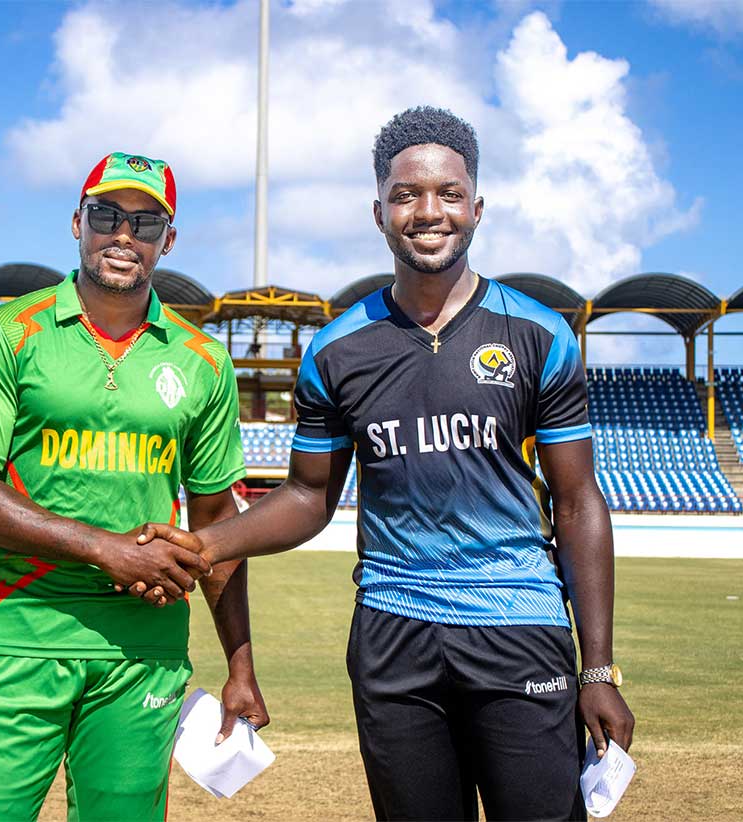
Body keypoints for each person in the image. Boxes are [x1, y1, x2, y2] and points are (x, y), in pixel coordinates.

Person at [138, 107, 634, 820]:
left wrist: (598, 669)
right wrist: (202, 544)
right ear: (379, 212)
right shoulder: (338, 349)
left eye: (448, 193)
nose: (428, 211)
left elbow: (579, 502)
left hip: (519, 629)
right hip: (392, 635)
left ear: (477, 208)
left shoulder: (538, 333)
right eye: (406, 195)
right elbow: (310, 497)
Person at [0, 151, 268, 821]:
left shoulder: (202, 360)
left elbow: (215, 521)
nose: (123, 236)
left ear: (167, 240)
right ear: (77, 222)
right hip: (21, 632)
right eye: (107, 215)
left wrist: (240, 663)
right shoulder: (6, 334)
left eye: (145, 223)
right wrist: (107, 549)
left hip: (144, 649)